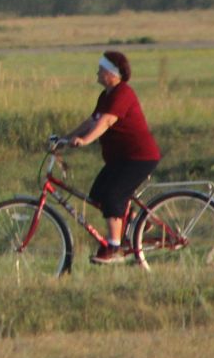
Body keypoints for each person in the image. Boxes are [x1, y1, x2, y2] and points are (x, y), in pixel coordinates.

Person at [57, 50, 161, 265]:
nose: (97, 72)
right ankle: (136, 220)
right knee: (98, 194)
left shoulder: (122, 94)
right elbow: (91, 121)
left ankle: (114, 247)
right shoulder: (106, 96)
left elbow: (105, 122)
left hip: (138, 157)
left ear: (111, 74)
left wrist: (85, 141)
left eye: (101, 69)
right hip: (120, 159)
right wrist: (66, 138)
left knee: (113, 195)